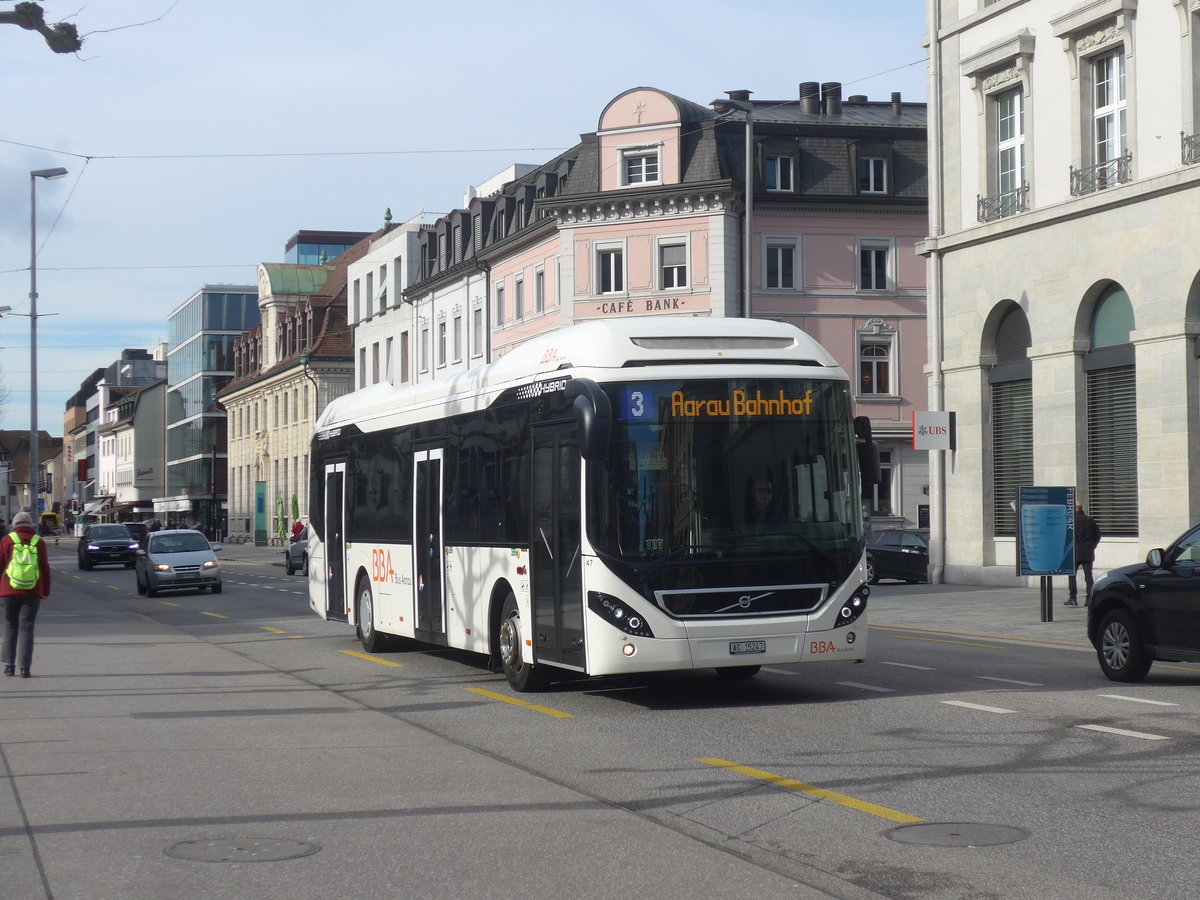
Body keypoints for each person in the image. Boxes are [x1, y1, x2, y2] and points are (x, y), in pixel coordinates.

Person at [0, 511, 52, 678]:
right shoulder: (39, 542)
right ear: (31, 524)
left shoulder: (7, 540)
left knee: (10, 626)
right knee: (27, 628)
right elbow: (45, 568)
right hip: (33, 590)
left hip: (8, 590)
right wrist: (45, 590)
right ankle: (25, 668)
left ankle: (9, 665)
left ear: (14, 524)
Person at [1067, 501, 1101, 607]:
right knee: (1088, 577)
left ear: (1074, 509)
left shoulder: (1072, 521)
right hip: (1088, 552)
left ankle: (1073, 598)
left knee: (1072, 576)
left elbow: (1069, 538)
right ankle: (1089, 598)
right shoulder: (1090, 520)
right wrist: (1092, 546)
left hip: (1075, 553)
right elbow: (1098, 536)